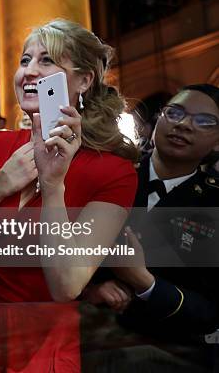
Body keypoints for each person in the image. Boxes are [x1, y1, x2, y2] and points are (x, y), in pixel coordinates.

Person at [0, 19, 139, 371]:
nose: (29, 72)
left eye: (47, 61)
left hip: (43, 345)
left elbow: (67, 284)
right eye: (24, 60)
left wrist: (54, 185)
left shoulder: (113, 171)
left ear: (85, 80)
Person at [84, 84, 219, 371]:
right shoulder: (111, 177)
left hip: (172, 354)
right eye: (175, 113)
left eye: (204, 121)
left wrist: (146, 283)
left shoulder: (212, 204)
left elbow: (210, 310)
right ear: (158, 118)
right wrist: (90, 290)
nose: (183, 125)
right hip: (94, 341)